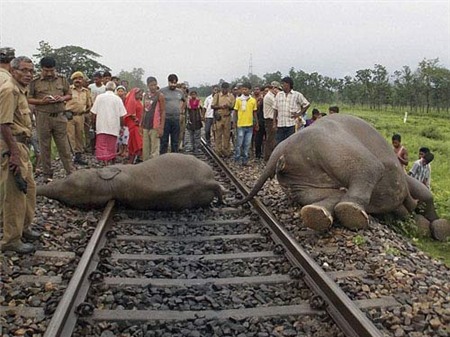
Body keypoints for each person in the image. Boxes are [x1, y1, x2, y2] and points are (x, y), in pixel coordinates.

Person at [0, 56, 39, 254]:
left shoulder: (21, 91)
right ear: (13, 71)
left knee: (29, 189)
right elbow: (4, 124)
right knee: (15, 194)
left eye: (31, 71)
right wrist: (14, 154)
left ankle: (24, 228)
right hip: (12, 146)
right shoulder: (9, 90)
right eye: (24, 70)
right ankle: (11, 239)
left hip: (22, 146)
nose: (28, 74)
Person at [28, 57, 73, 182]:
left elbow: (69, 94)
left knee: (64, 147)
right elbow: (28, 98)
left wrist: (62, 98)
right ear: (41, 69)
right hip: (43, 117)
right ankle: (47, 175)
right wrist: (41, 101)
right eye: (46, 70)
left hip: (59, 116)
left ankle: (71, 174)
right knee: (44, 148)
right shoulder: (35, 81)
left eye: (51, 70)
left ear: (55, 69)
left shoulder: (62, 79)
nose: (49, 73)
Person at [91, 81, 127, 165]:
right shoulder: (117, 99)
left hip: (101, 126)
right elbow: (122, 115)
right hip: (113, 127)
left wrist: (93, 124)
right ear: (114, 89)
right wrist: (121, 126)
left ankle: (104, 162)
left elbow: (93, 113)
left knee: (102, 145)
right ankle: (111, 160)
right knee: (111, 145)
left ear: (105, 88)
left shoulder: (99, 97)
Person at [65, 71, 92, 166]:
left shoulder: (86, 91)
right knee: (70, 136)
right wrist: (65, 112)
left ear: (82, 80)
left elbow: (89, 104)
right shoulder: (68, 90)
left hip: (80, 116)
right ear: (72, 80)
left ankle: (78, 156)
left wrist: (85, 111)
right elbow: (62, 102)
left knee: (80, 136)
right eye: (75, 79)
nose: (78, 81)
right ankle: (70, 156)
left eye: (80, 79)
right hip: (69, 116)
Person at [273, 76, 310, 144]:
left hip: (292, 124)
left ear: (288, 84)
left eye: (283, 84)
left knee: (290, 143)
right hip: (281, 124)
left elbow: (307, 104)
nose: (282, 86)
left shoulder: (297, 95)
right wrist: (274, 123)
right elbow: (275, 109)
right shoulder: (279, 95)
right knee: (279, 143)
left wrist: (299, 114)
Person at [233, 82, 258, 166]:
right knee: (239, 143)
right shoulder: (238, 100)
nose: (244, 91)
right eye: (243, 89)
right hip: (240, 124)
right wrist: (234, 122)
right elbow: (235, 112)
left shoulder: (253, 100)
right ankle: (237, 158)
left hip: (250, 125)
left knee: (247, 144)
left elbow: (254, 113)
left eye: (246, 89)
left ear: (249, 90)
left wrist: (256, 123)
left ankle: (245, 160)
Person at [141, 76, 165, 161]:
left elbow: (163, 112)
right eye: (151, 85)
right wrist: (141, 124)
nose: (154, 87)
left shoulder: (160, 96)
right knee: (146, 149)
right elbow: (143, 110)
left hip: (155, 126)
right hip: (146, 125)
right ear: (148, 85)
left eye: (155, 85)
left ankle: (154, 168)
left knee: (154, 150)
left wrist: (161, 127)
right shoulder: (145, 96)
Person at [160, 74, 185, 154]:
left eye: (175, 83)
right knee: (164, 141)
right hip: (166, 119)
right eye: (172, 83)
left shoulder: (180, 92)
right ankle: (163, 158)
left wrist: (181, 110)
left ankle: (174, 158)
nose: (173, 85)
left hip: (176, 119)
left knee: (175, 141)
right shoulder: (162, 91)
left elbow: (185, 101)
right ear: (168, 82)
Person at [211, 82, 235, 158]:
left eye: (226, 89)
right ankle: (218, 151)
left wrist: (229, 106)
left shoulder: (231, 96)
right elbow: (212, 106)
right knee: (218, 135)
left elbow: (233, 107)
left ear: (228, 89)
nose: (225, 90)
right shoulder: (217, 95)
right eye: (224, 89)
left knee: (227, 135)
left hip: (227, 117)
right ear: (221, 89)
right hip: (219, 117)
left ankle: (226, 151)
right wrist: (220, 106)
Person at [124, 88, 144, 164]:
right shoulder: (132, 101)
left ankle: (132, 159)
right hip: (134, 124)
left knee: (133, 141)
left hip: (138, 123)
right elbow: (131, 113)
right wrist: (137, 120)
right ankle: (137, 157)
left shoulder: (138, 101)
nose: (140, 95)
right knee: (138, 141)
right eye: (139, 93)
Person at [263, 81, 281, 161]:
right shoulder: (269, 97)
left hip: (272, 120)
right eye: (277, 89)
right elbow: (277, 106)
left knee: (272, 139)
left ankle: (269, 157)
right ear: (274, 88)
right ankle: (268, 157)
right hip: (270, 120)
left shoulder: (272, 96)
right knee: (271, 139)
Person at [115, 85, 128, 157]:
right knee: (118, 136)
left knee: (125, 136)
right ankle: (120, 150)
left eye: (121, 91)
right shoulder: (115, 100)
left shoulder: (126, 100)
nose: (120, 93)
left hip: (125, 120)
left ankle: (125, 150)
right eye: (119, 91)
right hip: (117, 120)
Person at [253, 85, 265, 160]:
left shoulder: (264, 98)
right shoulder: (252, 99)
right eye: (255, 89)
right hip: (257, 120)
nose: (256, 91)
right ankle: (257, 154)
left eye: (258, 89)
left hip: (265, 120)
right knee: (257, 138)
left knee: (265, 139)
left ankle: (264, 153)